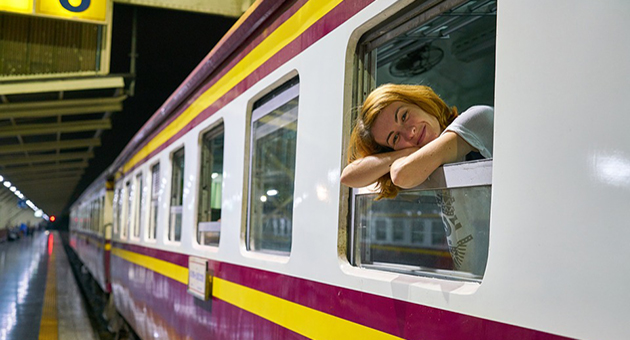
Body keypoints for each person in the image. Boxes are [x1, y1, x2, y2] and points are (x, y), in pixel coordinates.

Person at [341, 84, 493, 199]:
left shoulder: (476, 119)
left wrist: (405, 153)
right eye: (395, 138)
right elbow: (348, 177)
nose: (409, 132)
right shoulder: (421, 164)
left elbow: (401, 174)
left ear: (419, 101)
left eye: (404, 116)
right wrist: (404, 153)